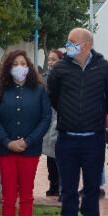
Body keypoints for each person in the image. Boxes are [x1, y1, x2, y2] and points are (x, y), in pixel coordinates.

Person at [47, 28, 108, 216]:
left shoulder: (104, 68)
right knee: (67, 186)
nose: (68, 45)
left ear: (86, 45)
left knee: (92, 186)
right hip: (67, 138)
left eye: (72, 42)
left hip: (93, 138)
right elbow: (54, 97)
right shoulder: (60, 69)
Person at [0, 50, 51, 216]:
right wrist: (7, 141)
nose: (19, 67)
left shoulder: (39, 89)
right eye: (15, 63)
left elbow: (45, 118)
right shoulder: (0, 89)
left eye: (23, 63)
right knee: (8, 197)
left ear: (29, 67)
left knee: (26, 195)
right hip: (6, 151)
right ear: (8, 67)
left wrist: (28, 140)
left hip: (30, 151)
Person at [43, 47, 65, 197]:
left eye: (54, 60)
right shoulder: (43, 78)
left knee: (60, 153)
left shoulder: (66, 77)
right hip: (48, 116)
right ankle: (53, 183)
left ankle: (61, 185)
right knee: (49, 153)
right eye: (49, 60)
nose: (51, 63)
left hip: (61, 116)